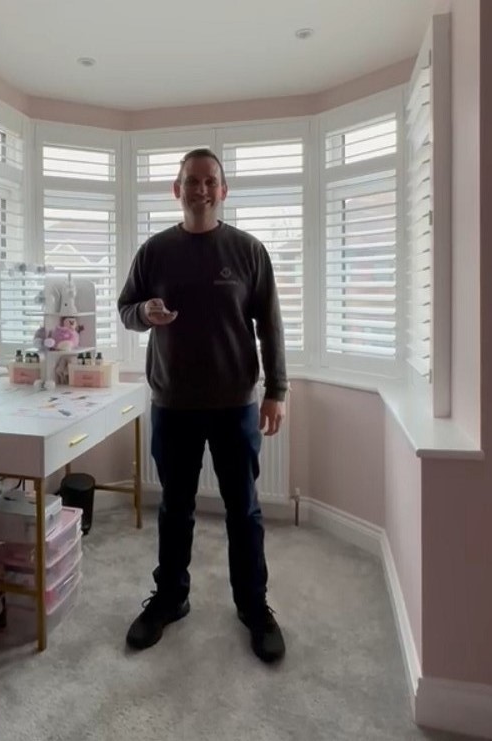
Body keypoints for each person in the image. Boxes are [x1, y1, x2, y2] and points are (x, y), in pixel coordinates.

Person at [118, 148, 288, 663]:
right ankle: (171, 598)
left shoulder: (248, 251)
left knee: (245, 511)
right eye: (191, 181)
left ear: (223, 190)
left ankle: (254, 607)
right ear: (177, 190)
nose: (201, 189)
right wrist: (143, 312)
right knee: (175, 509)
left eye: (210, 180)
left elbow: (271, 326)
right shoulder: (154, 251)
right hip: (173, 405)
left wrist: (277, 390)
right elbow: (127, 308)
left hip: (235, 404)